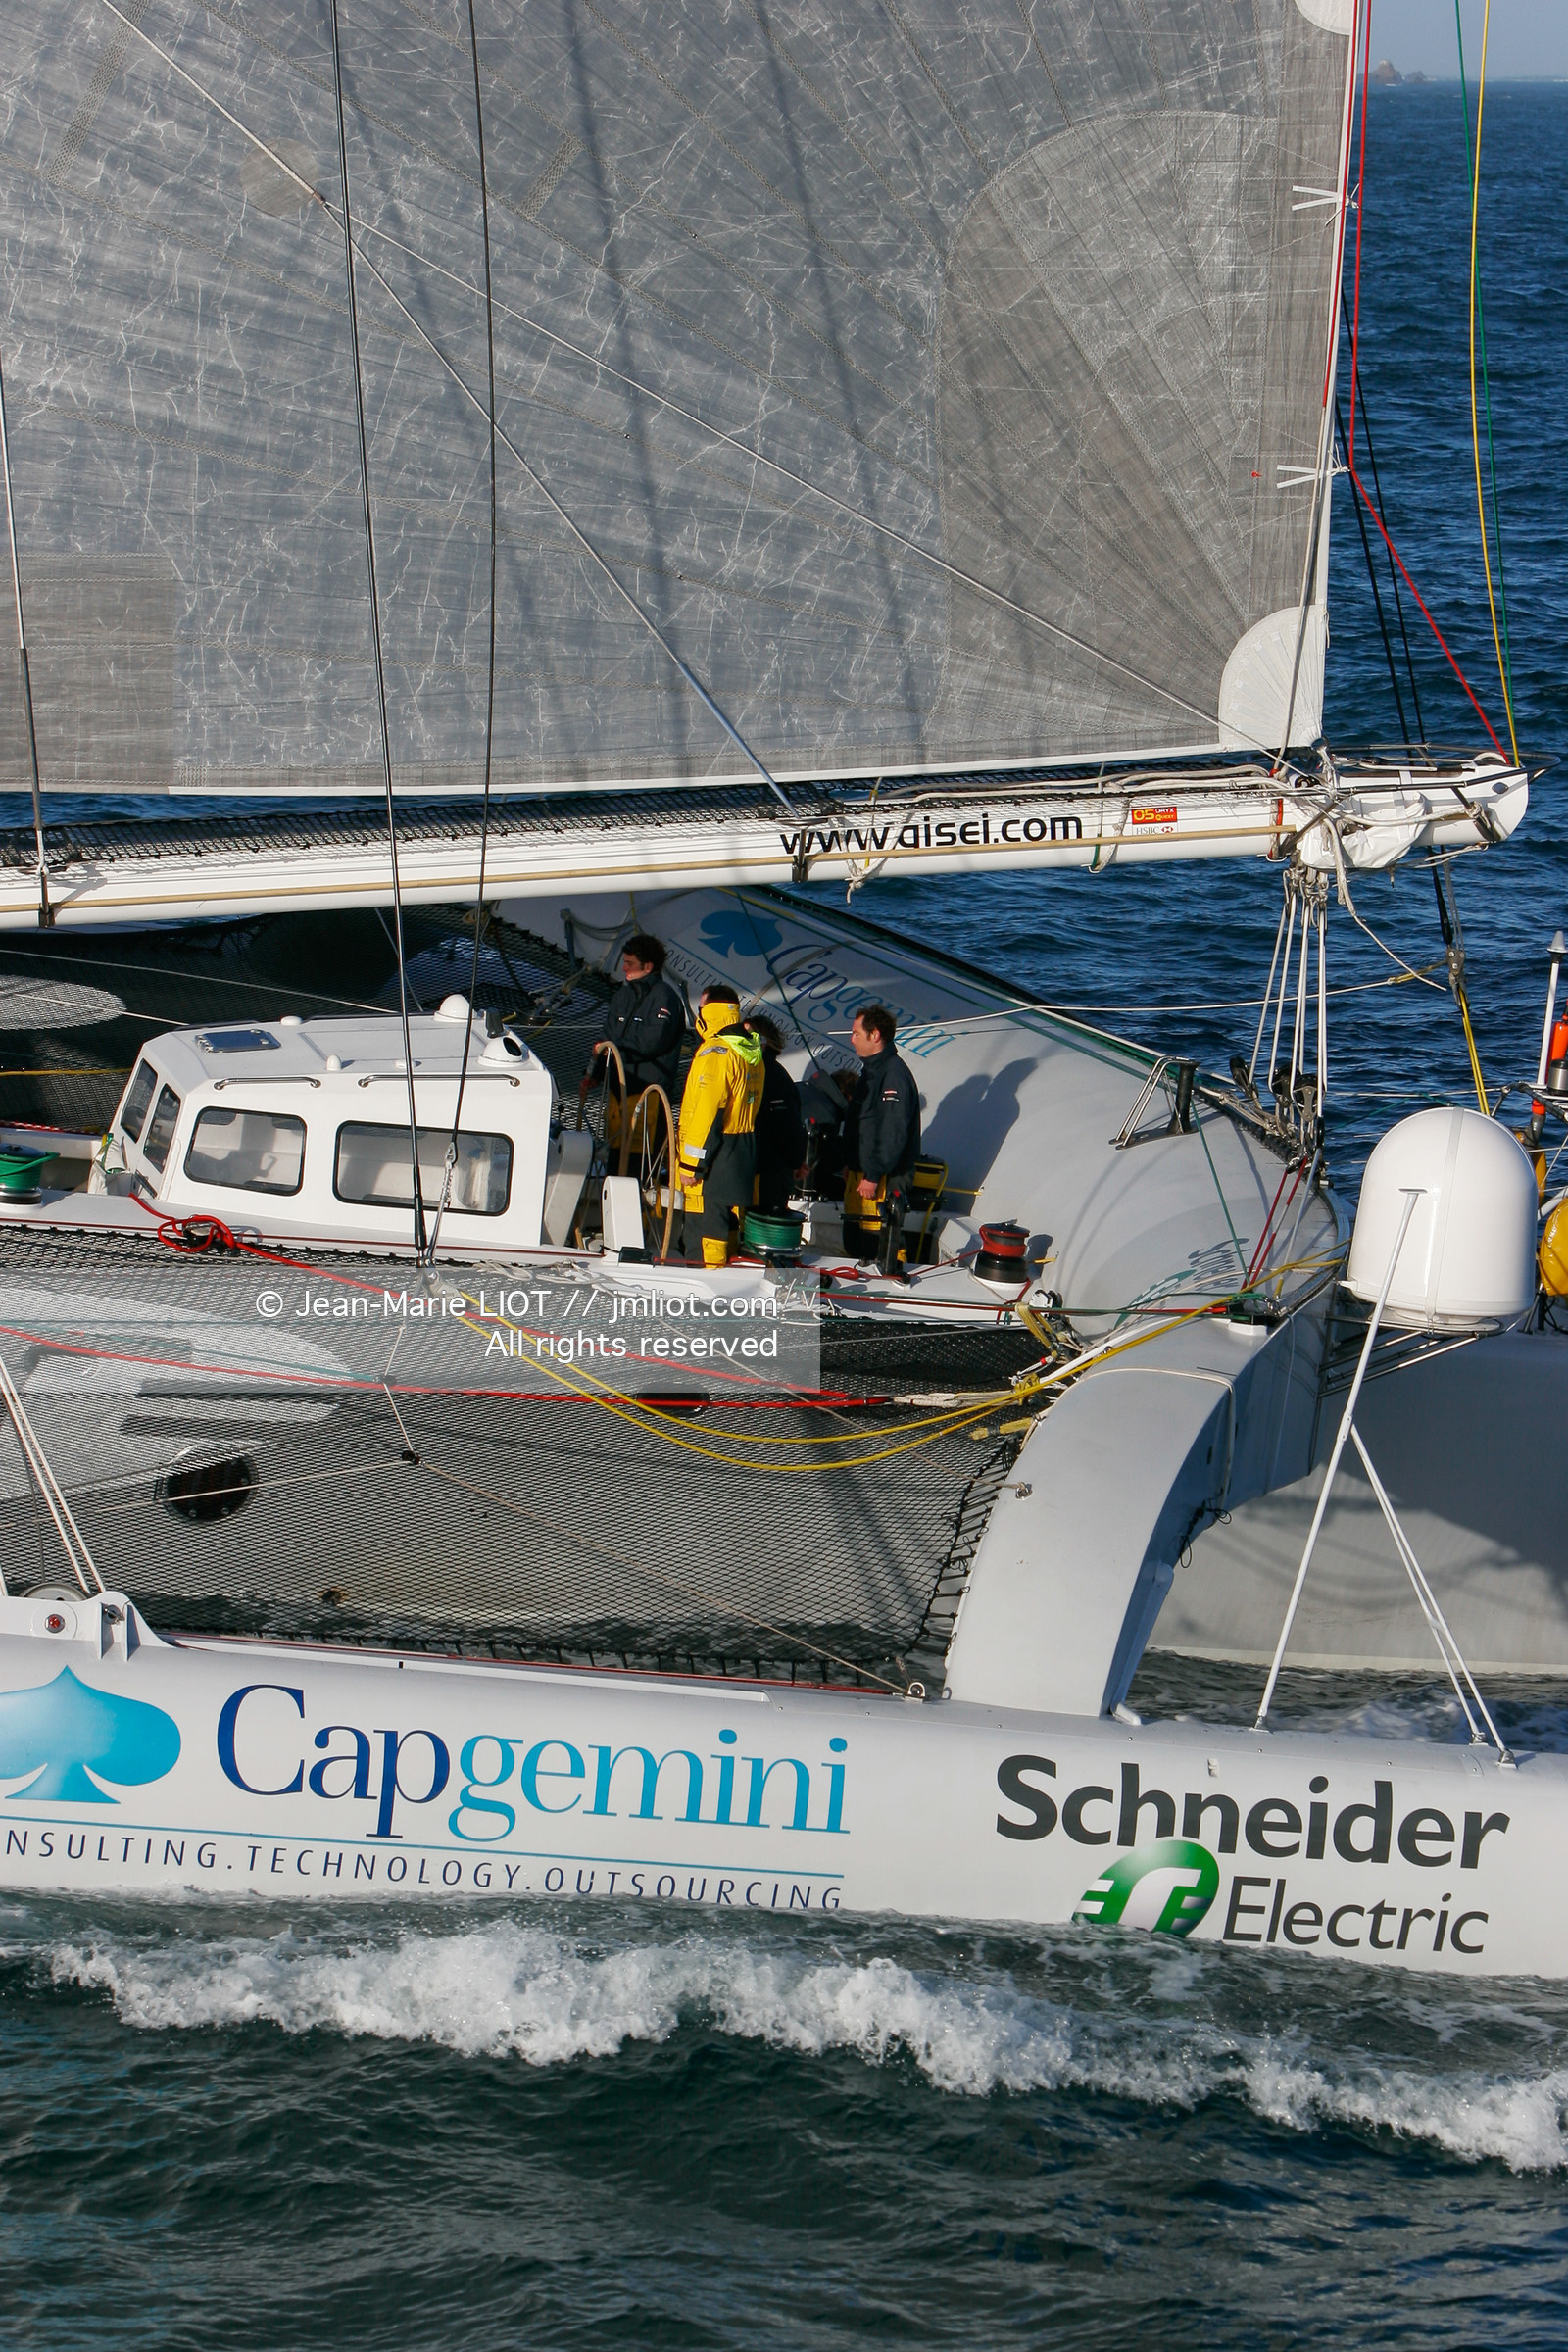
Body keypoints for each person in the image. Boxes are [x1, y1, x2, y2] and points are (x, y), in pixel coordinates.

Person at [675, 987, 764, 1265]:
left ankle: (703, 1300)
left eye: (701, 1008)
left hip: (711, 1163)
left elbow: (707, 1115)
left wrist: (690, 1164)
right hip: (740, 1156)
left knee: (703, 1239)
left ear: (710, 1011)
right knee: (728, 1233)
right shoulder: (750, 1051)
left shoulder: (715, 1053)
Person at [844, 1003, 921, 1277]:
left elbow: (892, 1131)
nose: (851, 1039)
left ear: (874, 1035)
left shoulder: (893, 1076)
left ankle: (888, 1280)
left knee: (879, 1241)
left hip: (880, 1180)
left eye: (856, 1034)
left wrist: (874, 1174)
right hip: (861, 1174)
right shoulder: (871, 1072)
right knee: (856, 1240)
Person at [580, 934, 685, 1107]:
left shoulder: (665, 998)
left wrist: (616, 1052)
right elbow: (608, 1034)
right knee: (614, 1134)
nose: (623, 968)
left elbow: (653, 1041)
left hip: (648, 1093)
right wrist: (596, 1073)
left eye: (630, 964)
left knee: (640, 1135)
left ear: (648, 967)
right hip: (617, 1089)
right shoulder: (623, 995)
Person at [748, 1015, 806, 1214]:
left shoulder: (772, 1076)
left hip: (767, 1171)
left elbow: (787, 1125)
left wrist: (796, 1161)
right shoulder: (751, 1071)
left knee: (761, 1227)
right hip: (753, 1168)